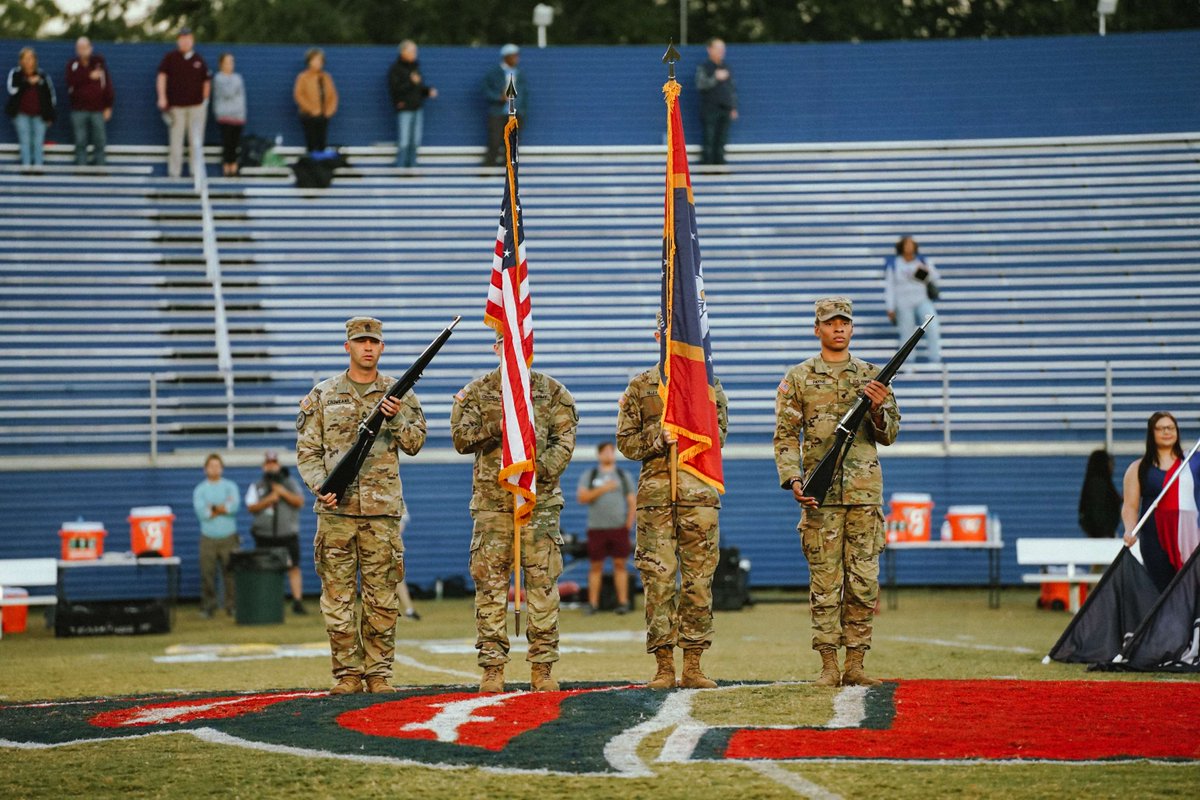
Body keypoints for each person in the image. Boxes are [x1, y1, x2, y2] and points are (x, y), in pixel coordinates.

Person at [774, 297, 901, 688]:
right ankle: (829, 664)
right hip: (820, 496)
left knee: (863, 581)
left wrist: (878, 409)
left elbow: (890, 434)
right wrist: (794, 480)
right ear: (818, 329)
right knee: (825, 583)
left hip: (863, 496)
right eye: (831, 323)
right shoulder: (798, 377)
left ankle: (856, 664)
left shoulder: (873, 376)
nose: (839, 328)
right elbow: (784, 437)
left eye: (845, 322)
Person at [296, 317, 427, 694]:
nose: (367, 347)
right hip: (336, 512)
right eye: (360, 341)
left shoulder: (398, 393)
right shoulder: (323, 394)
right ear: (347, 347)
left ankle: (380, 674)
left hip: (382, 514)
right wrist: (321, 486)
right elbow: (308, 451)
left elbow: (416, 442)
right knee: (337, 598)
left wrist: (396, 415)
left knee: (382, 598)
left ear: (382, 347)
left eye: (373, 341)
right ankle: (348, 674)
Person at [450, 332, 577, 693]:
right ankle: (492, 667)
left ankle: (543, 666)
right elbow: (460, 437)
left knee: (542, 587)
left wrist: (536, 472)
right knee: (490, 589)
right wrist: (496, 428)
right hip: (492, 506)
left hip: (539, 504)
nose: (513, 350)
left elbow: (564, 441)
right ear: (495, 347)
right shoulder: (476, 392)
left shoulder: (553, 393)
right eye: (506, 343)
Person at [616, 318, 728, 690]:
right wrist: (657, 438)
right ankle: (664, 666)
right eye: (666, 333)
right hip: (656, 501)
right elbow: (626, 443)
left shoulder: (707, 384)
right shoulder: (640, 387)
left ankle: (693, 665)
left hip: (699, 496)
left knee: (699, 581)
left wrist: (688, 427)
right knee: (658, 581)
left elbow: (720, 433)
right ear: (657, 337)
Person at [1121, 412, 1200, 592]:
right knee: (1163, 591)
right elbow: (1130, 506)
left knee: (1193, 590)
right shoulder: (1138, 468)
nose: (1167, 432)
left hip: (1191, 536)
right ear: (1151, 433)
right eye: (1161, 428)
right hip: (1155, 538)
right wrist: (1129, 529)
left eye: (1171, 428)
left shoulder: (1194, 462)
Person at [576, 441, 636, 615]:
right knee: (596, 566)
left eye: (611, 451)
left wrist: (628, 524)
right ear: (599, 455)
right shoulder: (591, 475)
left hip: (618, 528)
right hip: (597, 528)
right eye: (605, 452)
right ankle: (593, 604)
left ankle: (623, 603)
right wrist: (603, 488)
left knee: (620, 564)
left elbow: (632, 501)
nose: (608, 454)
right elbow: (582, 497)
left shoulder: (622, 475)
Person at [245, 449, 307, 614]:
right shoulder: (257, 485)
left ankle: (297, 602)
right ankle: (265, 600)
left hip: (287, 534)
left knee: (293, 567)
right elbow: (251, 507)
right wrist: (268, 500)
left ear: (278, 465)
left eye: (274, 464)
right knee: (263, 568)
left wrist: (282, 492)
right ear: (264, 466)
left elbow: (300, 502)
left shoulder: (290, 482)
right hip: (264, 535)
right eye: (268, 464)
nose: (271, 467)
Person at [156, 27, 211, 180]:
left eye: (187, 38)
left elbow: (206, 82)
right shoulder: (170, 58)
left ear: (192, 40)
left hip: (196, 107)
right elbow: (161, 77)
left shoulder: (199, 59)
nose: (185, 41)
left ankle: (196, 172)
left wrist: (205, 101)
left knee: (196, 141)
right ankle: (175, 173)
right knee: (176, 141)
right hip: (177, 107)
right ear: (178, 40)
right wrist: (162, 97)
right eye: (182, 38)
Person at [192, 453, 240, 618]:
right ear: (205, 469)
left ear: (222, 468)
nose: (214, 469)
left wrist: (213, 508)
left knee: (230, 574)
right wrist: (221, 507)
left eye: (217, 465)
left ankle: (232, 606)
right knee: (207, 573)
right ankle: (208, 607)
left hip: (229, 536)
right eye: (211, 466)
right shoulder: (200, 489)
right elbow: (202, 513)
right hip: (208, 537)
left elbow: (233, 507)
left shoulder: (230, 486)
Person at [884, 235, 942, 363]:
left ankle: (935, 359)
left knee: (932, 326)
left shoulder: (922, 261)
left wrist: (924, 271)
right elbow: (890, 287)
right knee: (907, 333)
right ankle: (908, 363)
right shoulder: (894, 263)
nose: (909, 247)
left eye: (911, 244)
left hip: (922, 299)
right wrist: (890, 307)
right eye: (906, 244)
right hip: (903, 302)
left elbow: (935, 276)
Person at [65, 37, 114, 166]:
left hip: (97, 109)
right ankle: (81, 167)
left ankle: (100, 167)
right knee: (80, 140)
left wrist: (108, 105)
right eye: (80, 48)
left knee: (100, 140)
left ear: (91, 48)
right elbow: (70, 82)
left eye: (85, 47)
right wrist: (88, 76)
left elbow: (107, 85)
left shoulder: (99, 64)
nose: (83, 50)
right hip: (78, 109)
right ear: (76, 50)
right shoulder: (73, 65)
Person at [388, 40, 437, 168]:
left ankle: (412, 166)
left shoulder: (415, 68)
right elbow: (395, 89)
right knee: (404, 140)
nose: (415, 53)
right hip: (404, 108)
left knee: (415, 140)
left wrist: (427, 92)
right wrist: (411, 82)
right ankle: (401, 166)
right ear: (403, 52)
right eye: (412, 51)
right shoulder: (396, 69)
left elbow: (418, 88)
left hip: (417, 108)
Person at [6, 47, 56, 167]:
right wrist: (27, 82)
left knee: (38, 142)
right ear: (21, 60)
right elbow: (12, 90)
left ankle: (38, 167)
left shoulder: (42, 75)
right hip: (21, 114)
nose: (28, 61)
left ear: (35, 60)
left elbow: (51, 97)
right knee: (25, 141)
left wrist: (51, 116)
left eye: (31, 58)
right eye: (25, 58)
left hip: (39, 115)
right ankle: (26, 167)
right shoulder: (16, 73)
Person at [481, 43, 527, 167]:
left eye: (517, 56)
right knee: (495, 141)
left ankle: (508, 171)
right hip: (498, 113)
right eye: (514, 56)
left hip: (515, 113)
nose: (517, 58)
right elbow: (485, 91)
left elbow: (524, 93)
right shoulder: (494, 73)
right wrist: (499, 98)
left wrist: (522, 111)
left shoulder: (519, 74)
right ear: (506, 57)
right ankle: (487, 169)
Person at [695, 38, 737, 166]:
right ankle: (707, 166)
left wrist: (733, 107)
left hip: (725, 108)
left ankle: (720, 166)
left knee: (722, 139)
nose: (721, 51)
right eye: (718, 48)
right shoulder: (704, 67)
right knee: (709, 138)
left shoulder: (726, 67)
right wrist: (715, 78)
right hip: (710, 109)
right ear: (710, 50)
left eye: (722, 49)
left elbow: (731, 89)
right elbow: (700, 85)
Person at [293, 48, 338, 153]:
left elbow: (333, 95)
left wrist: (329, 111)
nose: (318, 63)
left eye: (320, 60)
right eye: (315, 60)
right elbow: (298, 95)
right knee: (312, 143)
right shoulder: (303, 77)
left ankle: (322, 165)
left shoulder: (327, 77)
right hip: (308, 116)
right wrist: (311, 110)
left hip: (324, 115)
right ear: (309, 61)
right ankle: (312, 165)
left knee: (322, 143)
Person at [211, 53, 245, 177]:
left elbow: (241, 98)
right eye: (227, 62)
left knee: (235, 144)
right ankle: (227, 168)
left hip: (238, 116)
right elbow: (228, 92)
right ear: (221, 64)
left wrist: (241, 115)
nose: (230, 64)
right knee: (227, 142)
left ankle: (234, 167)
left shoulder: (238, 77)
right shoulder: (218, 78)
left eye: (232, 62)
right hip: (225, 116)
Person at [1079, 449, 1121, 539]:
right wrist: (1104, 533)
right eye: (1110, 463)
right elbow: (1098, 510)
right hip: (1102, 537)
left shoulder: (1098, 483)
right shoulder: (1098, 484)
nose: (1113, 466)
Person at [396, 513, 420, 621]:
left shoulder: (397, 498)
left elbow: (402, 523)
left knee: (398, 576)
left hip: (388, 544)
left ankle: (409, 610)